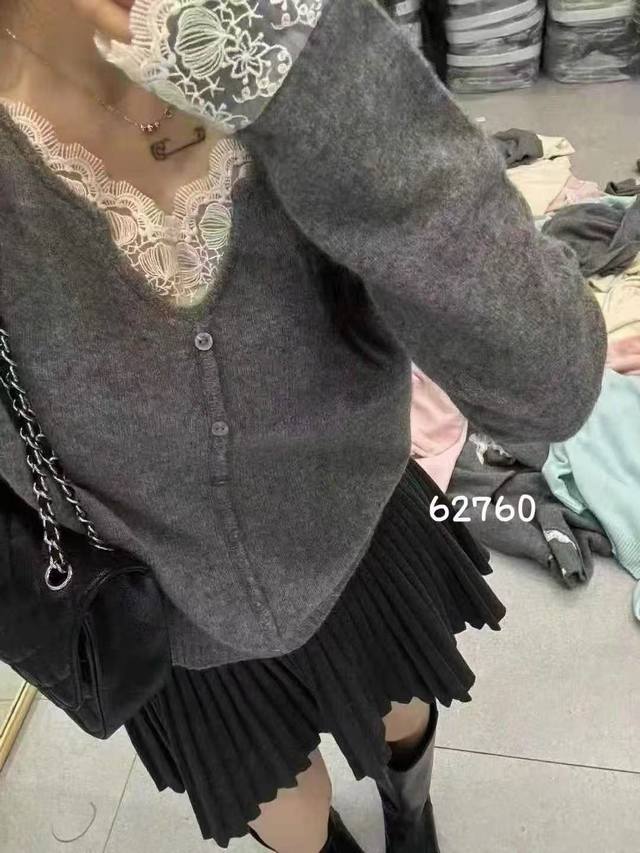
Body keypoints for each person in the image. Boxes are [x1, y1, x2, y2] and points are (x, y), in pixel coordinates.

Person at [0, 1, 606, 851]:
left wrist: (307, 70)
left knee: (404, 722)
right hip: (150, 607)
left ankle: (410, 816)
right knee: (287, 807)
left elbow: (550, 382)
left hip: (359, 528)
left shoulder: (286, 24)